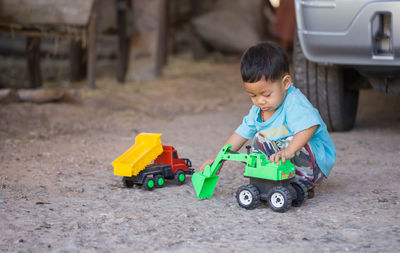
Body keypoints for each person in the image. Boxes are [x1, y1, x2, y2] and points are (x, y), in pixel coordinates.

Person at [200, 41, 335, 197]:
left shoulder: (294, 102)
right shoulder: (258, 111)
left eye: (266, 94)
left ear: (285, 83)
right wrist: (218, 160)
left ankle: (301, 182)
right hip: (286, 163)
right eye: (253, 95)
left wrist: (290, 150)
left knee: (284, 140)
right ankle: (270, 181)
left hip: (315, 164)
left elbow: (309, 126)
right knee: (258, 139)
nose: (260, 101)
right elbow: (241, 134)